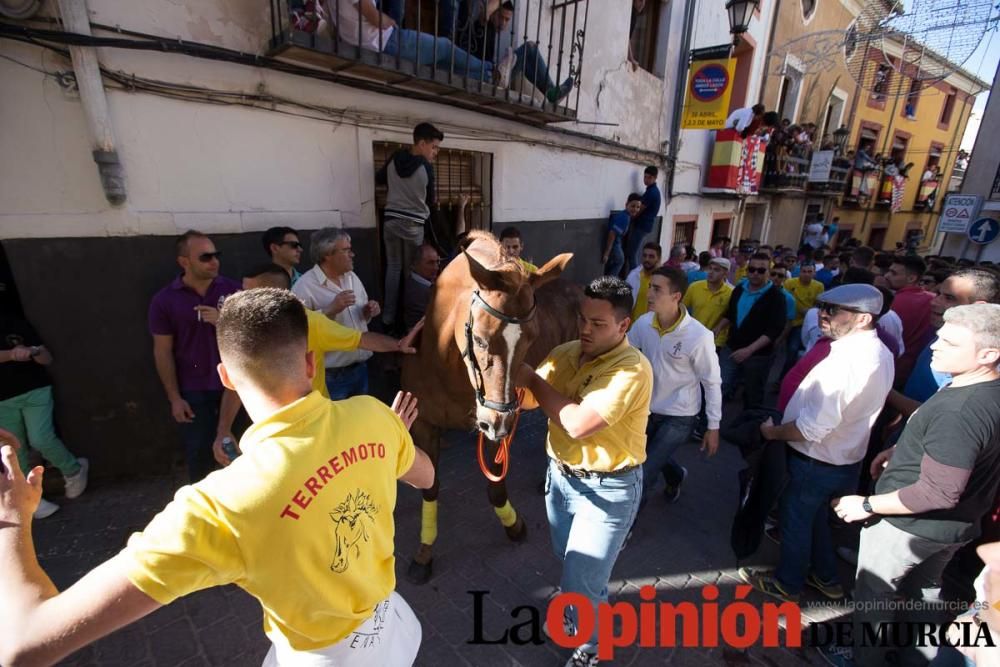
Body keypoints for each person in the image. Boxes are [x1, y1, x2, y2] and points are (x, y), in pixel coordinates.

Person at [0, 288, 435, 667]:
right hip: (395, 630)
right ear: (309, 363)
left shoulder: (218, 506)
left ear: (226, 376)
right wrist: (387, 435)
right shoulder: (374, 415)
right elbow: (425, 474)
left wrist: (13, 517)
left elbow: (24, 644)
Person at [833, 304, 1000, 667]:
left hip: (909, 528)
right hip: (952, 528)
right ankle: (916, 659)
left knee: (874, 601)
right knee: (922, 600)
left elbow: (938, 491)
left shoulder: (962, 410)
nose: (935, 344)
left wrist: (865, 505)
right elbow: (968, 451)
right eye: (940, 334)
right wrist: (901, 449)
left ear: (989, 354)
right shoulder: (981, 389)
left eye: (950, 342)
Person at [515, 276, 652, 667]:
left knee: (584, 581)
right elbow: (526, 401)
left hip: (608, 491)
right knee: (566, 556)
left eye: (598, 324)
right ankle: (575, 597)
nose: (585, 330)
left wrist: (531, 379)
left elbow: (575, 423)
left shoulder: (632, 370)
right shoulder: (567, 351)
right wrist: (502, 373)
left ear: (624, 325)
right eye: (583, 319)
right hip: (560, 478)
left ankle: (591, 647)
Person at [741, 284, 894, 609]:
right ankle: (826, 578)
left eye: (834, 310)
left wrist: (771, 434)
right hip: (843, 458)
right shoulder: (878, 352)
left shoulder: (848, 361)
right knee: (816, 521)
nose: (823, 314)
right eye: (823, 306)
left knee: (795, 522)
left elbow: (811, 428)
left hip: (815, 459)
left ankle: (788, 583)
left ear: (864, 318)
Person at [149, 230, 242, 482]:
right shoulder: (164, 300)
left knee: (241, 454)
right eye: (205, 257)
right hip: (193, 389)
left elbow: (254, 336)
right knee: (200, 457)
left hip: (236, 385)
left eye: (216, 255)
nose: (214, 261)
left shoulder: (234, 290)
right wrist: (174, 398)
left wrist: (223, 320)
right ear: (184, 262)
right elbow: (162, 351)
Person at [628, 266, 721, 505]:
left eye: (657, 289)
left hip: (679, 416)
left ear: (676, 296)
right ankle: (677, 475)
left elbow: (711, 382)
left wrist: (713, 426)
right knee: (652, 457)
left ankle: (622, 532)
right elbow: (625, 356)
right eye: (650, 286)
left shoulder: (699, 336)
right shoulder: (643, 323)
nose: (649, 293)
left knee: (643, 473)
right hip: (646, 409)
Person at [0, 306, 89, 519]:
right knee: (13, 450)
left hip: (35, 391)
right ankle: (30, 499)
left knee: (41, 439)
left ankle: (74, 470)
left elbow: (46, 357)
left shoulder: (12, 320)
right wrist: (13, 354)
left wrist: (35, 352)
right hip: (3, 401)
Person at [292, 228, 380, 400]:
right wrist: (330, 309)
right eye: (346, 250)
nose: (352, 254)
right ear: (327, 255)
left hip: (361, 368)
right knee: (335, 425)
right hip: (331, 376)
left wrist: (368, 311)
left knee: (359, 423)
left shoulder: (352, 277)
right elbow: (299, 331)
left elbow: (360, 318)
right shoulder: (304, 287)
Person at [333, 0, 510, 83]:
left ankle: (489, 77)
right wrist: (388, 21)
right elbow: (374, 17)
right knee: (444, 47)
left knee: (441, 66)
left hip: (367, 44)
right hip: (384, 41)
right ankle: (491, 70)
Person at [376, 122, 442, 330]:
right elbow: (431, 200)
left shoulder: (395, 158)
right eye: (434, 147)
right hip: (413, 224)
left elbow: (379, 177)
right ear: (421, 143)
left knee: (393, 268)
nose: (435, 152)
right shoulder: (426, 168)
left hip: (390, 221)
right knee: (410, 271)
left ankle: (388, 317)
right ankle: (406, 318)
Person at [456, 0, 574, 104]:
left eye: (507, 19)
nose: (503, 23)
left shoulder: (491, 31)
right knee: (529, 48)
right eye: (500, 17)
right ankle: (551, 92)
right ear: (493, 13)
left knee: (527, 58)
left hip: (494, 76)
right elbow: (486, 13)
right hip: (487, 78)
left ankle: (551, 92)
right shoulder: (482, 24)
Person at [716, 253, 787, 409]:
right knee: (720, 386)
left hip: (757, 355)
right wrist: (718, 328)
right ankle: (709, 426)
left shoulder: (777, 298)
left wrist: (748, 350)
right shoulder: (739, 289)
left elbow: (773, 330)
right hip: (732, 348)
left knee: (752, 394)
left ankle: (747, 430)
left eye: (761, 271)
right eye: (752, 269)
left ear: (768, 272)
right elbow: (730, 314)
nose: (755, 273)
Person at [885, 256, 933, 385]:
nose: (887, 276)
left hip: (891, 367)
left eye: (894, 273)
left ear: (912, 278)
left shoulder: (892, 302)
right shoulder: (933, 300)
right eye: (889, 271)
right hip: (915, 371)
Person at [683, 257, 734, 349]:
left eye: (716, 270)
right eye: (710, 268)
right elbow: (682, 308)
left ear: (726, 273)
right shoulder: (695, 287)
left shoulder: (731, 292)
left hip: (716, 340)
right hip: (694, 336)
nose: (711, 272)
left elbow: (731, 316)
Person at [783, 261, 825, 370]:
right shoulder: (789, 283)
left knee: (793, 349)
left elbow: (818, 305)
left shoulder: (819, 286)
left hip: (802, 323)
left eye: (809, 272)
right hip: (787, 320)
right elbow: (785, 301)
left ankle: (783, 378)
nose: (806, 274)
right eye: (804, 271)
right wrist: (801, 309)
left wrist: (808, 312)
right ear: (799, 272)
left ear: (814, 273)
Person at [624, 166, 662, 273]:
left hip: (642, 226)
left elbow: (639, 210)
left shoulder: (652, 192)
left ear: (655, 178)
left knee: (632, 253)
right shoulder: (652, 190)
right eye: (645, 177)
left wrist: (627, 218)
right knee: (634, 252)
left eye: (649, 178)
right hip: (644, 225)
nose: (646, 180)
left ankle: (635, 276)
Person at [602, 193, 642, 278]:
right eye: (633, 206)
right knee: (620, 260)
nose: (635, 209)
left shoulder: (626, 216)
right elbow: (612, 233)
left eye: (638, 207)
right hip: (614, 243)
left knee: (619, 260)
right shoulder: (624, 218)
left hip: (617, 242)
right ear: (627, 204)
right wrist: (607, 252)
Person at [403, 243, 440, 330]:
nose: (436, 268)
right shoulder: (419, 291)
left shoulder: (413, 279)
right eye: (430, 263)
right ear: (415, 265)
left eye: (437, 262)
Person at [625, 242, 662, 325]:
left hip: (653, 329)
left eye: (651, 256)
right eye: (644, 255)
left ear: (658, 258)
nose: (647, 259)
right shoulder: (633, 276)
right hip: (632, 329)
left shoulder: (664, 280)